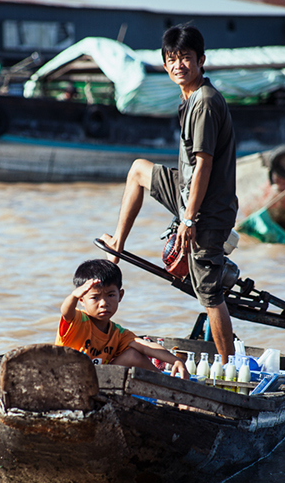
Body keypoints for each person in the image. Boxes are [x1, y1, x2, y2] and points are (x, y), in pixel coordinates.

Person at [100, 24, 237, 362]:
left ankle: (230, 369)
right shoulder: (189, 98)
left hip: (208, 207)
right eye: (172, 59)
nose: (179, 65)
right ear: (164, 65)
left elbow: (204, 164)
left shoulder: (204, 102)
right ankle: (118, 243)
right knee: (138, 170)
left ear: (201, 60)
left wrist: (188, 219)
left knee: (209, 293)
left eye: (186, 58)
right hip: (189, 190)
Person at [57, 259, 189, 378]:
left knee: (133, 354)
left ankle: (166, 387)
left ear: (120, 296)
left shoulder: (117, 333)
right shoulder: (78, 320)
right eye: (95, 297)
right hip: (68, 379)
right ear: (82, 299)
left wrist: (176, 360)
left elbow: (145, 346)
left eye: (110, 295)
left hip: (99, 381)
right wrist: (73, 296)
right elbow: (66, 312)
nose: (103, 303)